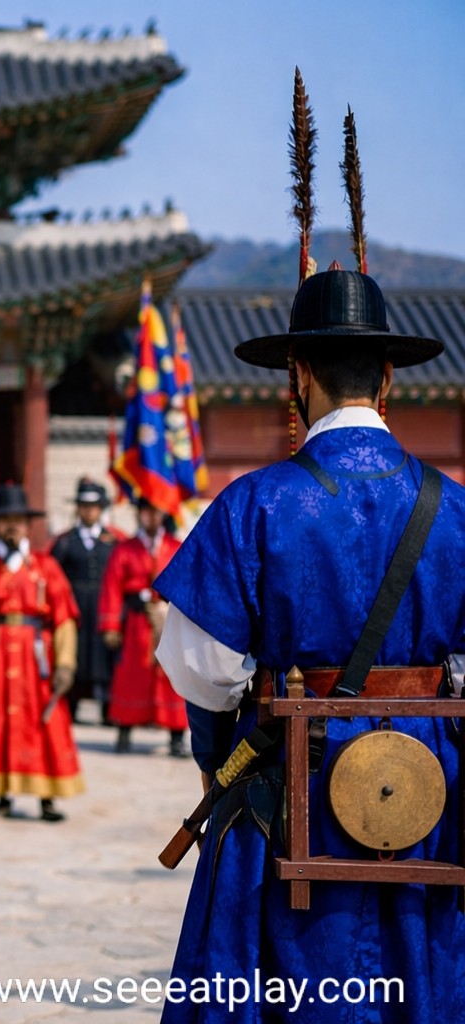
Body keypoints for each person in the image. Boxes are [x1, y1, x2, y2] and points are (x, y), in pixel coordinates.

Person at [154, 100, 465, 1019]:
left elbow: (200, 668)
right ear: (393, 377)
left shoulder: (254, 503)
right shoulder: (456, 509)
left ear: (296, 374)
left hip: (285, 786)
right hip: (427, 792)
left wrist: (227, 750)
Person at [0, 483, 83, 822]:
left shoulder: (46, 567)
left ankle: (46, 797)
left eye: (18, 519)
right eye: (5, 520)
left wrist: (65, 661)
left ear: (28, 525)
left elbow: (64, 619)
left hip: (36, 657)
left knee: (42, 722)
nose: (12, 526)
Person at [98, 497, 187, 755]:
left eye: (155, 512)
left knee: (171, 677)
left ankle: (176, 736)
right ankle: (124, 732)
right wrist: (111, 625)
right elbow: (112, 588)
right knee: (132, 675)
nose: (150, 517)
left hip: (168, 620)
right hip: (136, 624)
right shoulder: (125, 549)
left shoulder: (175, 546)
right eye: (145, 512)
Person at [48, 478, 118, 723]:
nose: (89, 511)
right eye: (84, 505)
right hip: (74, 603)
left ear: (101, 508)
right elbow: (52, 573)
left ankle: (108, 709)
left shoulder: (114, 541)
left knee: (104, 655)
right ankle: (72, 706)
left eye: (94, 506)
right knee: (74, 651)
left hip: (103, 604)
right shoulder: (65, 541)